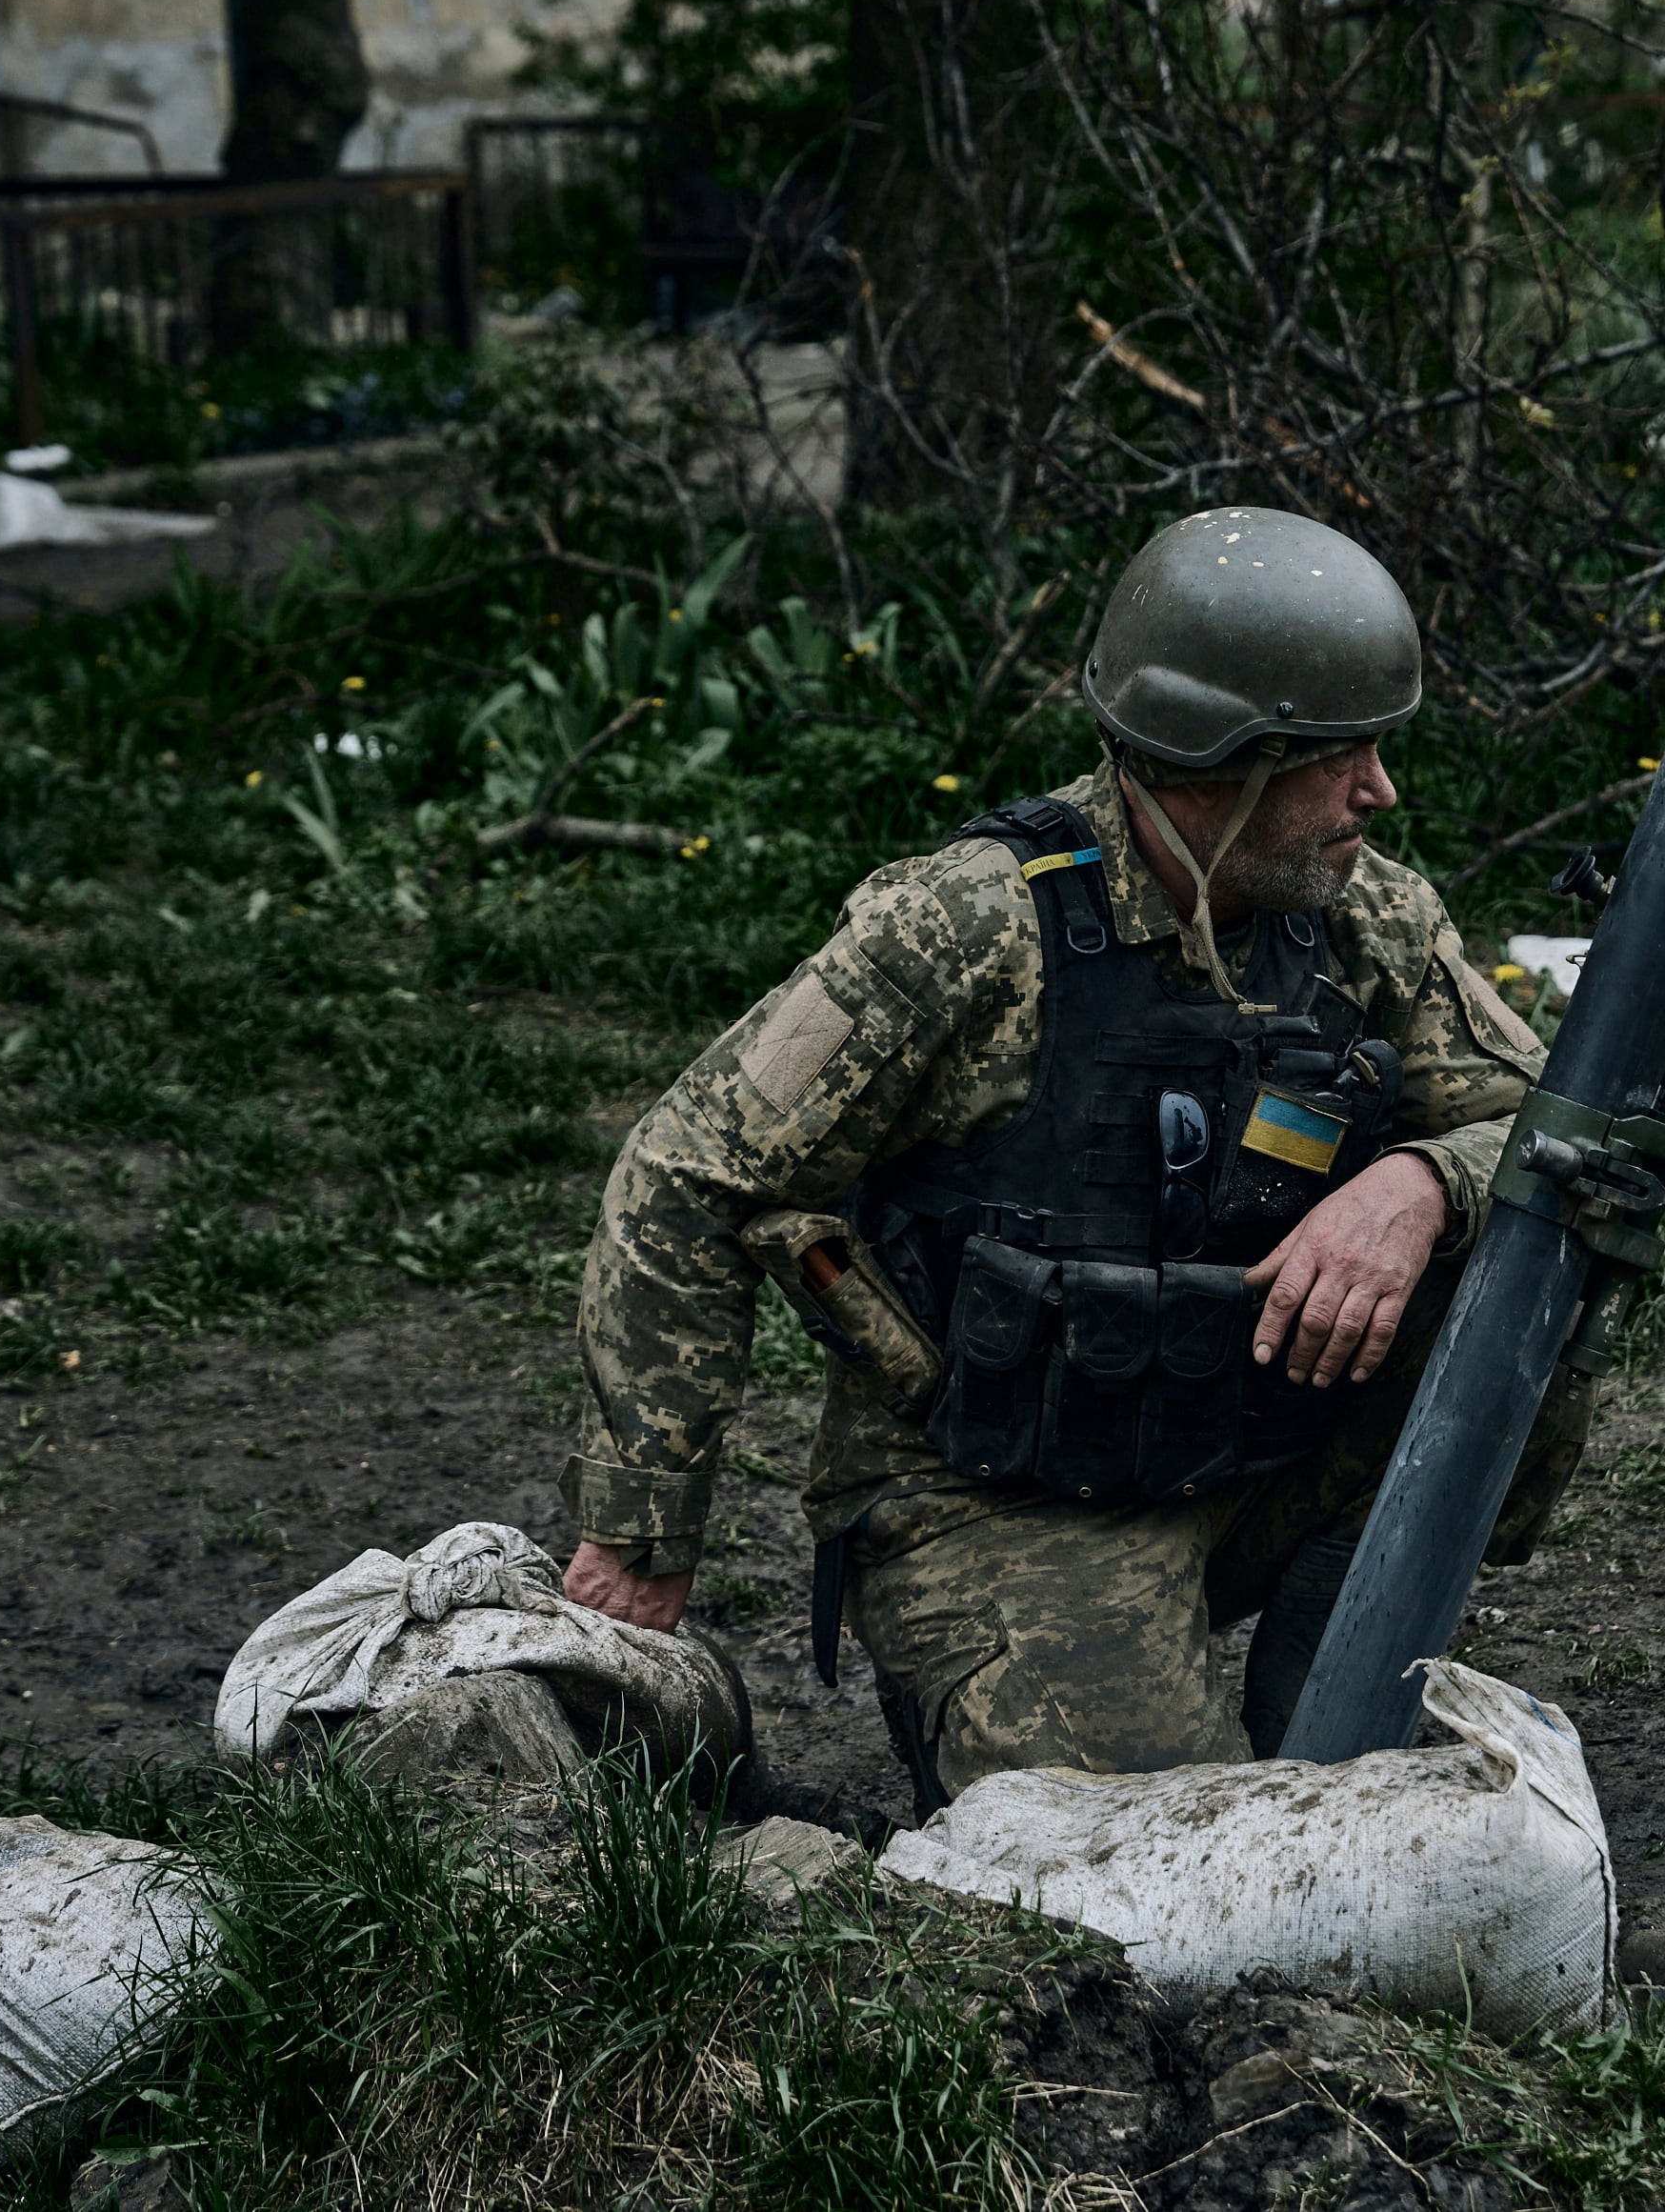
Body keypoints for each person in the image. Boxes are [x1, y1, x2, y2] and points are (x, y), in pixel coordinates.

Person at [553, 506, 1585, 1808]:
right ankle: (1035, 1684)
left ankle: (1338, 1675)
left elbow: (1575, 1135)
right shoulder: (968, 932)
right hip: (1001, 1495)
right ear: (1222, 762)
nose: (1379, 790)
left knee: (1548, 1266)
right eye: (1339, 755)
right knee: (1164, 1890)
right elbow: (686, 1172)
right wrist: (639, 1536)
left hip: (1246, 1447)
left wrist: (1422, 1184)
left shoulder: (1366, 913)